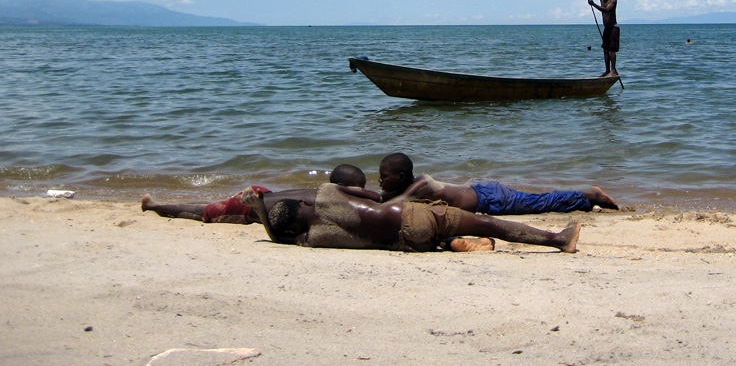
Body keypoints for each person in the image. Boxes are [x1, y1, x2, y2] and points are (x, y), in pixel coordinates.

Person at [240, 185, 581, 253]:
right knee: (490, 224)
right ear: (302, 202)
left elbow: (279, 239)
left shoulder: (317, 239)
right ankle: (556, 239)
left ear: (294, 228)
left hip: (409, 243)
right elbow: (373, 196)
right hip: (411, 215)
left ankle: (453, 245)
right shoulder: (327, 192)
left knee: (440, 239)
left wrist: (261, 214)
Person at [377, 152, 618, 214]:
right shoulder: (410, 186)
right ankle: (586, 197)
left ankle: (590, 196)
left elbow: (387, 204)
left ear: (400, 177)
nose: (379, 181)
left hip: (490, 199)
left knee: (539, 202)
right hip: (479, 190)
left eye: (384, 177)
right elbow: (383, 198)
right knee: (535, 201)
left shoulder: (421, 185)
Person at [141, 164, 375, 223]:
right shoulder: (329, 200)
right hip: (251, 204)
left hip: (265, 193)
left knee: (213, 205)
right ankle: (154, 207)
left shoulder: (323, 192)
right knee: (203, 212)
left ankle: (160, 204)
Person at [588, 0, 619, 77]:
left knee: (612, 50)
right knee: (605, 49)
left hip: (613, 28)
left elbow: (606, 10)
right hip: (606, 28)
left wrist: (593, 4)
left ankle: (613, 70)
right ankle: (607, 70)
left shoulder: (613, 0)